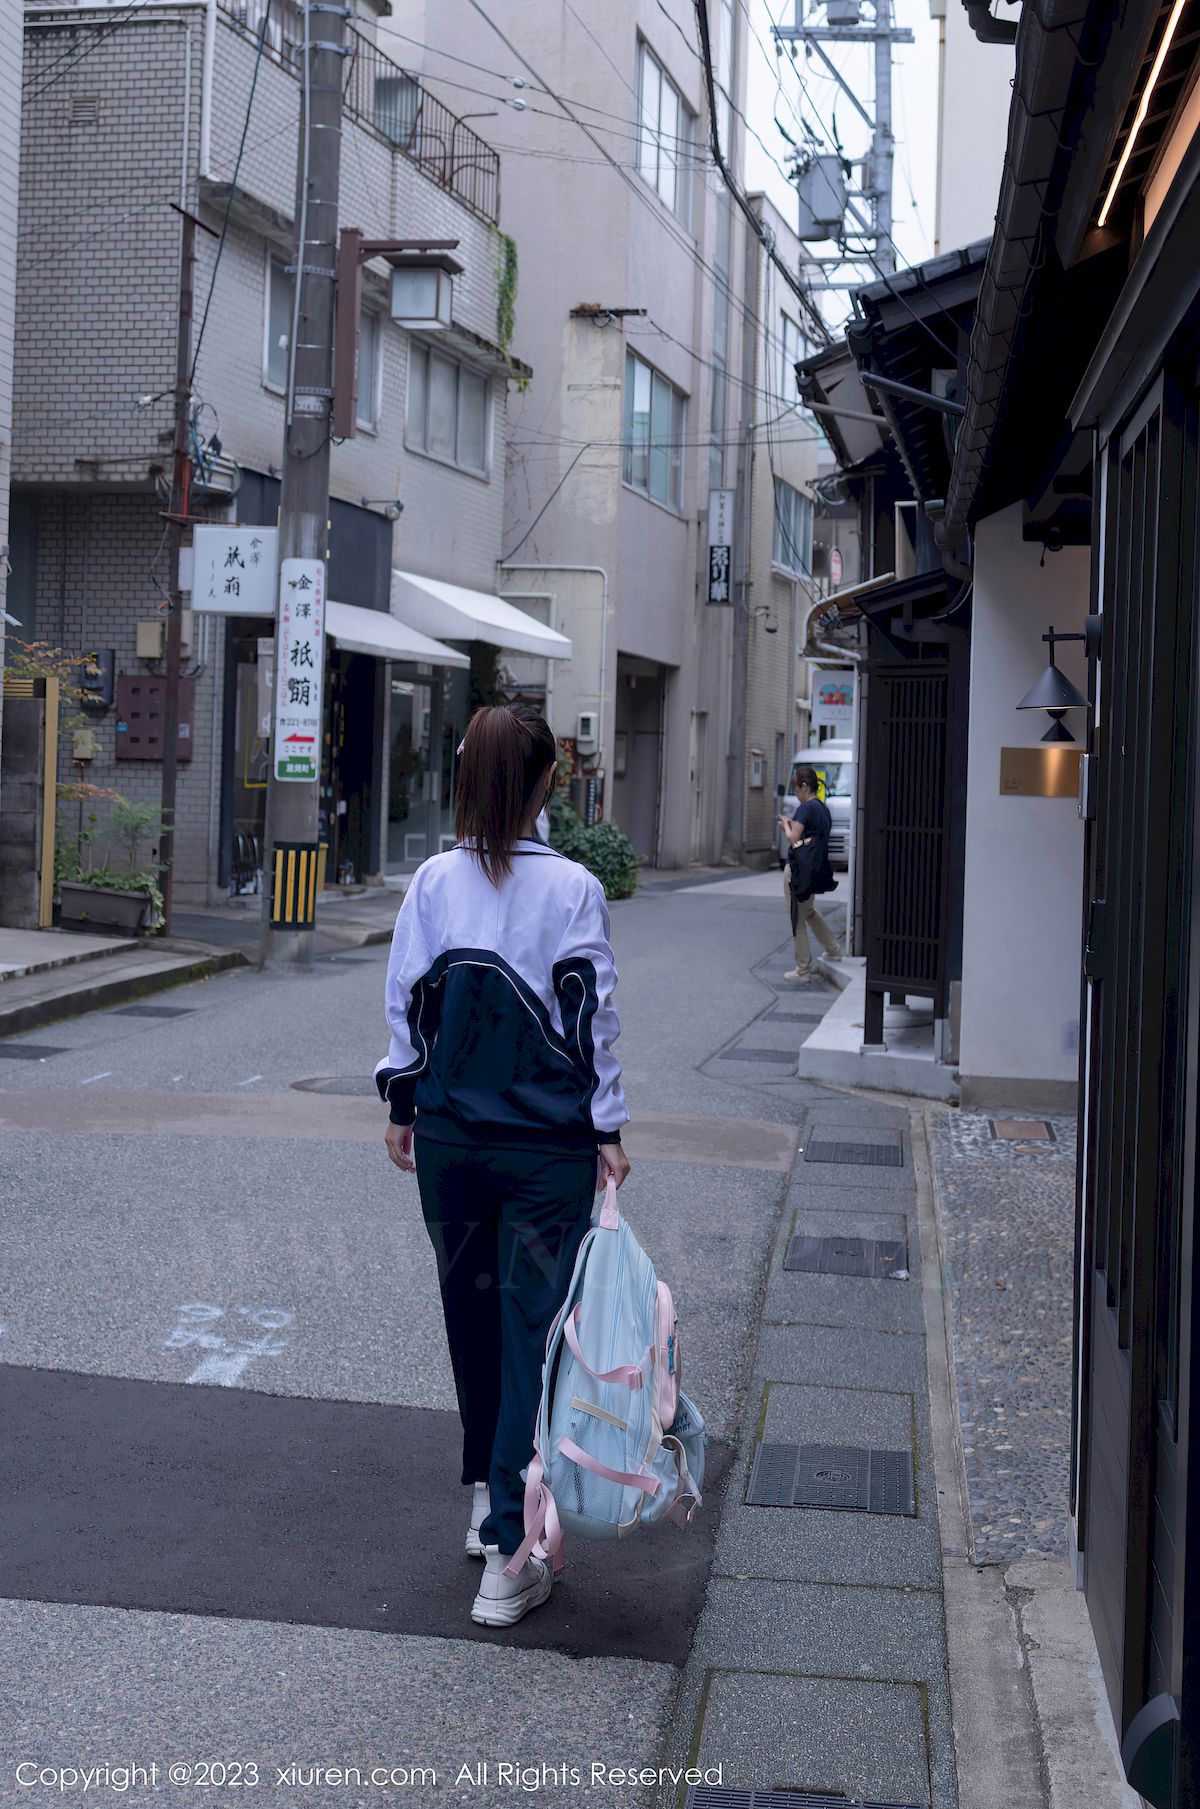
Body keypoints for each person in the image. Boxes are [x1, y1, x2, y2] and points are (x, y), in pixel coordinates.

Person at [375, 702, 630, 1630]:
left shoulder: (434, 881)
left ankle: (488, 1498)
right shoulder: (571, 889)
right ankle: (509, 1559)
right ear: (545, 785)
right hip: (542, 1151)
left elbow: (405, 1002)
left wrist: (403, 1105)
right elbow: (591, 1018)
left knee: (470, 1314)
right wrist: (607, 1129)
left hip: (450, 1141)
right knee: (530, 1327)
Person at [779, 763, 842, 980]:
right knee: (809, 911)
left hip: (798, 869)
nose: (796, 795)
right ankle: (833, 950)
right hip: (813, 869)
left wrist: (786, 825)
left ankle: (802, 969)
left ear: (804, 787)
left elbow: (793, 838)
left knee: (798, 917)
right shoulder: (822, 808)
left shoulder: (805, 808)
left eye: (796, 790)